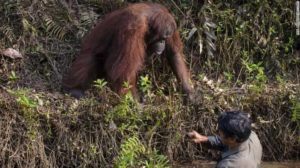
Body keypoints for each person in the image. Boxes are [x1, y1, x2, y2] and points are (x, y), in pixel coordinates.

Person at [188, 111, 262, 168]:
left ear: (232, 139)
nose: (219, 132)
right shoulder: (250, 135)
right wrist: (204, 139)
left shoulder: (227, 165)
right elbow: (226, 142)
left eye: (220, 132)